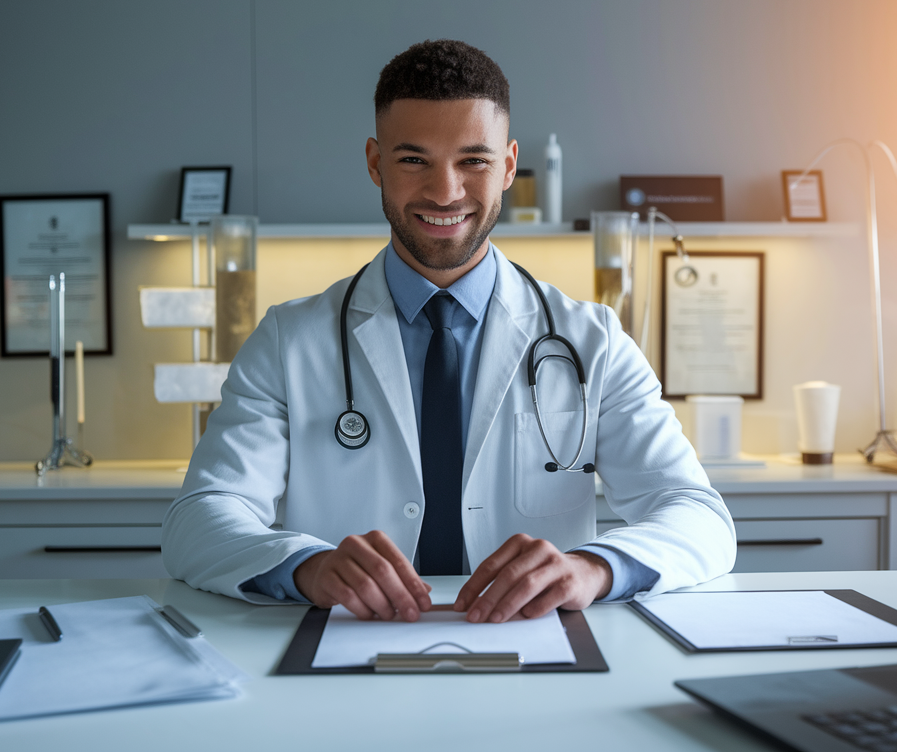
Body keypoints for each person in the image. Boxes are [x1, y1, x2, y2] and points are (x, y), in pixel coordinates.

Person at [162, 39, 735, 623]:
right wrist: (305, 565)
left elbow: (697, 514)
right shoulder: (290, 340)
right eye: (414, 160)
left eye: (474, 161)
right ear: (375, 162)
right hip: (347, 650)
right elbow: (200, 517)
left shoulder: (593, 340)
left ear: (509, 165)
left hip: (537, 649)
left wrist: (593, 568)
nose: (445, 191)